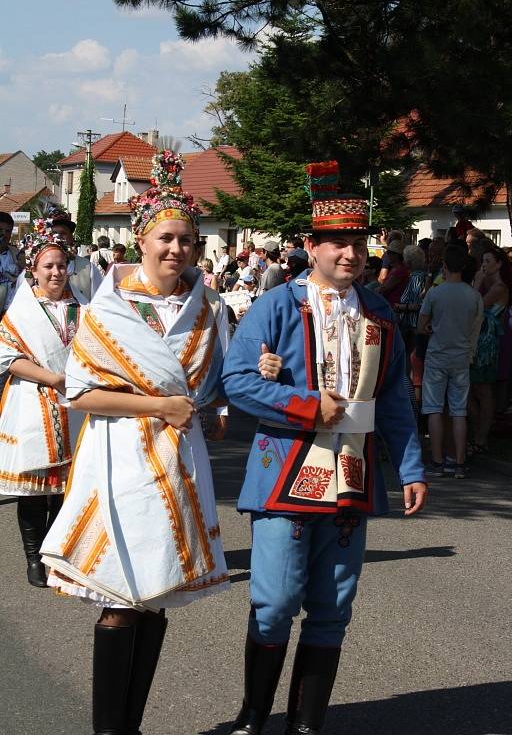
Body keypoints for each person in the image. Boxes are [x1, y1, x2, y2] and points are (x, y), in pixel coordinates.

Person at [40, 150, 280, 735]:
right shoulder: (108, 311)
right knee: (120, 599)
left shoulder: (207, 308)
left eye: (188, 240)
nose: (177, 249)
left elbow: (221, 376)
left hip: (178, 459)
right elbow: (81, 395)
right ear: (142, 241)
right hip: (120, 459)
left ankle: (133, 725)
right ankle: (109, 730)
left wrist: (261, 371)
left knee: (157, 594)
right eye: (166, 238)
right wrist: (159, 406)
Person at [222, 159, 426, 735]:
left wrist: (410, 466)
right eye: (336, 243)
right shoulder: (276, 305)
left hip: (354, 471)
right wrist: (309, 405)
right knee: (276, 599)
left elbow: (392, 400)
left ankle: (306, 724)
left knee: (334, 603)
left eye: (357, 244)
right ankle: (253, 717)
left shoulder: (379, 311)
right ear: (310, 246)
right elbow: (237, 381)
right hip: (285, 469)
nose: (350, 254)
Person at [0, 221, 87, 587]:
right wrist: (51, 377)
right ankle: (34, 557)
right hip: (34, 403)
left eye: (61, 265)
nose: (56, 272)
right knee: (36, 491)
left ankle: (56, 552)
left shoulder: (82, 307)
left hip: (78, 406)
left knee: (68, 490)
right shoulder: (20, 310)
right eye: (48, 266)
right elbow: (7, 355)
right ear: (33, 269)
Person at [417, 245, 483, 478]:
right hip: (462, 356)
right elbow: (476, 329)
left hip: (437, 355)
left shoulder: (435, 293)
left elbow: (421, 325)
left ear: (445, 266)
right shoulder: (474, 295)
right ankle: (459, 463)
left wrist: (431, 328)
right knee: (458, 411)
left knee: (434, 408)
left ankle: (436, 461)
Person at [468, 248, 511, 453]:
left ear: (499, 264)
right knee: (472, 391)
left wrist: (476, 283)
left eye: (488, 260)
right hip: (477, 340)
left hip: (488, 345)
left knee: (483, 391)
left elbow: (475, 306)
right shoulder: (487, 284)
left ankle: (481, 437)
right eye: (482, 260)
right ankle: (479, 432)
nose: (483, 264)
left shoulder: (499, 287)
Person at [49, 213, 102, 301]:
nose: (58, 237)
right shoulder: (38, 266)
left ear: (71, 238)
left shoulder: (89, 267)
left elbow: (99, 300)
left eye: (63, 233)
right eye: (54, 233)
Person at [0, 211, 25, 315]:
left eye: (8, 231)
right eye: (0, 230)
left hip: (11, 314)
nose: (4, 235)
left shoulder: (17, 254)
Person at [377, 239, 410, 306]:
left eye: (389, 252)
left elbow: (385, 288)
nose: (387, 254)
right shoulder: (395, 268)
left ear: (397, 255)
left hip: (393, 306)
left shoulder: (400, 270)